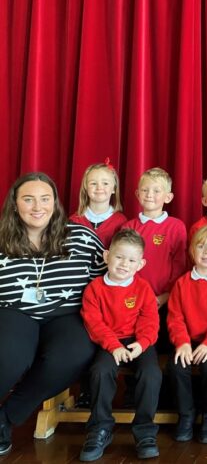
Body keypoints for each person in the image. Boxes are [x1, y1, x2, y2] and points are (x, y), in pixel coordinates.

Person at [0, 172, 105, 456]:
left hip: (67, 315)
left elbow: (105, 281)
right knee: (9, 355)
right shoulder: (1, 240)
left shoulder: (81, 237)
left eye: (45, 199)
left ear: (55, 203)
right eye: (29, 199)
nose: (38, 207)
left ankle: (6, 418)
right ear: (14, 204)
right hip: (13, 313)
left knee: (72, 353)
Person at [79, 229, 161, 461]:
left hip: (138, 342)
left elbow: (149, 320)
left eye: (132, 260)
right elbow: (94, 323)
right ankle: (100, 428)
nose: (124, 264)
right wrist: (114, 346)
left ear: (141, 264)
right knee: (100, 371)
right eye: (119, 257)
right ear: (106, 256)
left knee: (151, 374)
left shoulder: (143, 288)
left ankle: (144, 431)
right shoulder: (95, 288)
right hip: (109, 342)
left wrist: (142, 344)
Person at [167, 225, 207, 444]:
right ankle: (186, 415)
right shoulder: (182, 283)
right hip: (188, 341)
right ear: (191, 251)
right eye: (201, 247)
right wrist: (183, 343)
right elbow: (175, 318)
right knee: (177, 365)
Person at [123, 167, 187, 351]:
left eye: (157, 191)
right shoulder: (128, 227)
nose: (150, 194)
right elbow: (123, 267)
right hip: (135, 301)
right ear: (137, 194)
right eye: (145, 190)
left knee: (164, 347)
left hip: (165, 301)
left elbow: (179, 266)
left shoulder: (176, 227)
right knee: (137, 346)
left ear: (168, 197)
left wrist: (165, 297)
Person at [70, 159, 127, 248]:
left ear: (113, 189)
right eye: (93, 183)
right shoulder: (73, 221)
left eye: (105, 183)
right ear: (85, 188)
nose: (99, 187)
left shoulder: (121, 222)